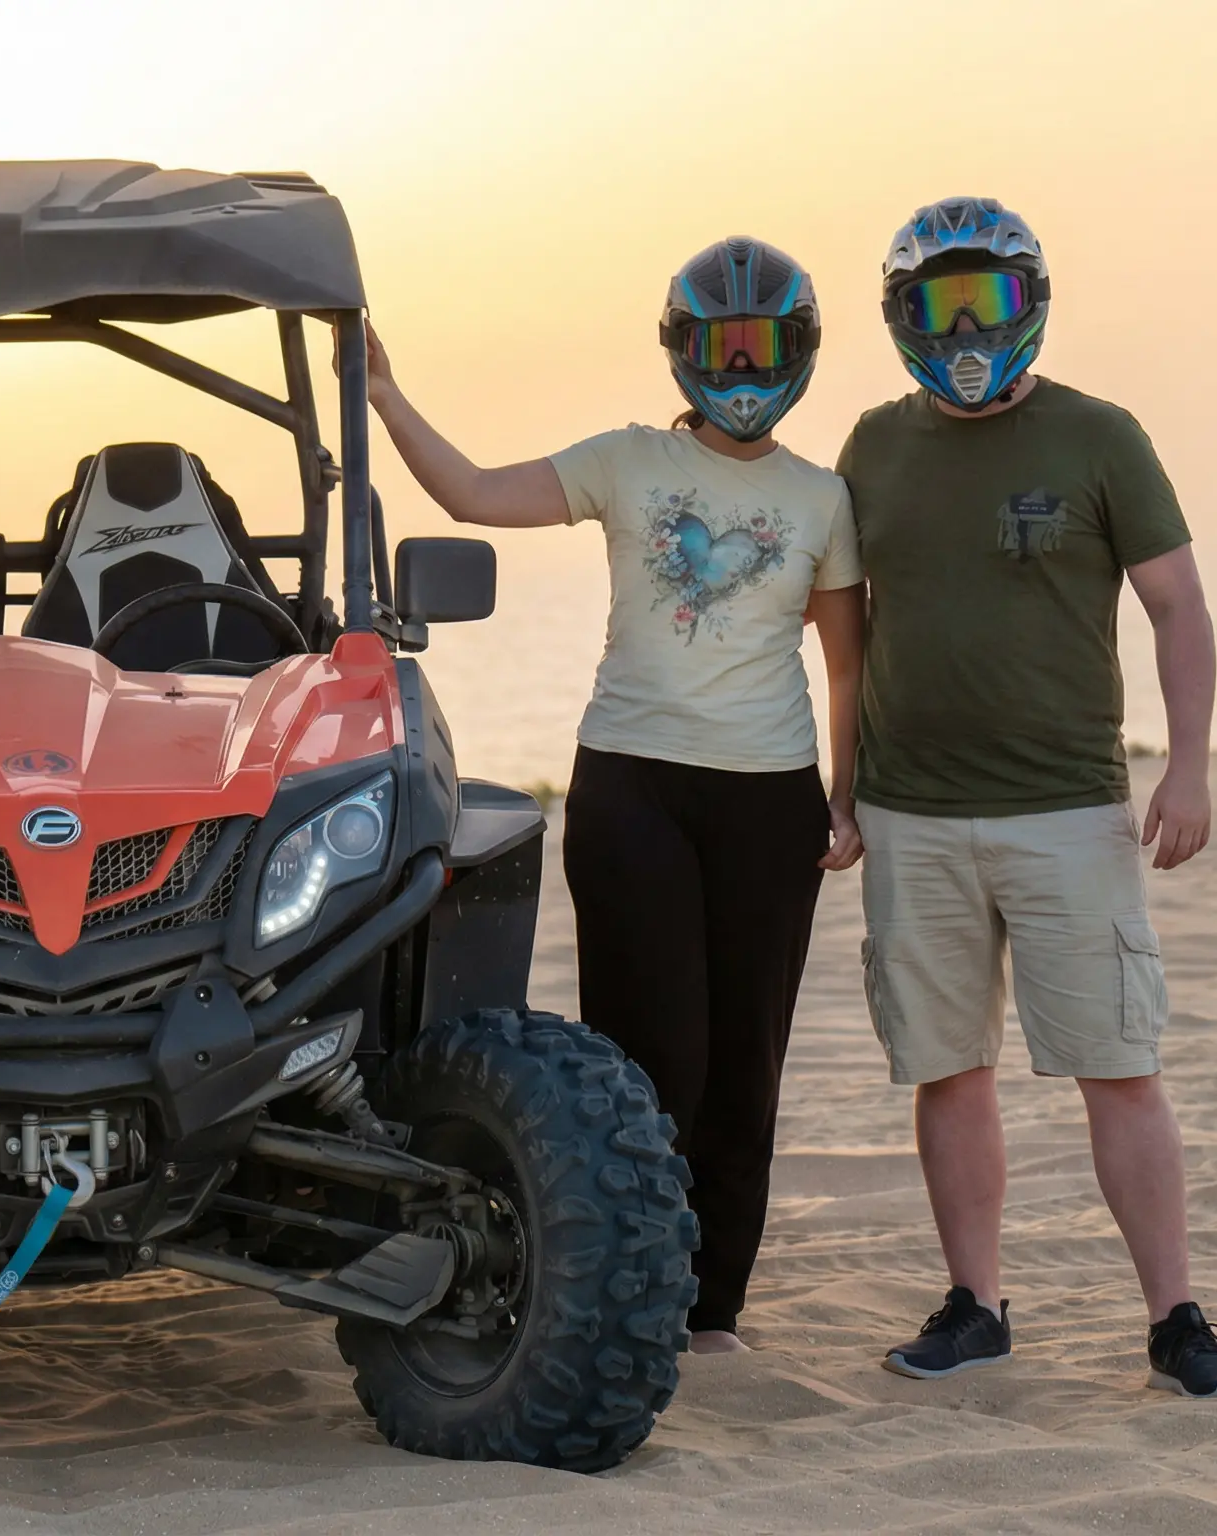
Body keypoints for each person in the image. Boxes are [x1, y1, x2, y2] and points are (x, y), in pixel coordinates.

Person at [359, 237, 866, 1354]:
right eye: (722, 346)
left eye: (767, 345)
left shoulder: (822, 498)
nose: (744, 367)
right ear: (682, 353)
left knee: (746, 1064)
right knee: (648, 1057)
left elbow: (845, 663)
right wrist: (386, 396)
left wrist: (849, 793)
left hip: (771, 804)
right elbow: (475, 492)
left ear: (803, 353)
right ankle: (632, 1281)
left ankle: (711, 1311)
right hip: (633, 790)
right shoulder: (624, 460)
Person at [833, 197, 1217, 1396]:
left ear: (1032, 300)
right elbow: (845, 632)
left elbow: (1178, 605)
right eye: (936, 307)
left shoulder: (1101, 436)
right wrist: (843, 793)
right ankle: (975, 1305)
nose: (964, 330)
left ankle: (1175, 1319)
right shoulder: (871, 444)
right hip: (911, 815)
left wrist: (1189, 763)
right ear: (899, 317)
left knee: (1117, 1064)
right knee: (945, 1066)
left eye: (988, 302)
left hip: (1068, 810)